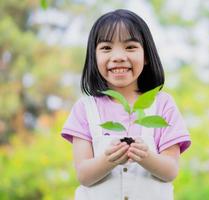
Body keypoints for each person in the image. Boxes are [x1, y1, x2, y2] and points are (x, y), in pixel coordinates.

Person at [61, 9, 191, 200]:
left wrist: (146, 157)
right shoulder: (85, 109)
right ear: (93, 57)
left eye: (130, 47)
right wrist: (109, 160)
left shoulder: (163, 105)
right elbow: (83, 175)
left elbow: (171, 170)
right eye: (106, 48)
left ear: (146, 56)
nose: (119, 56)